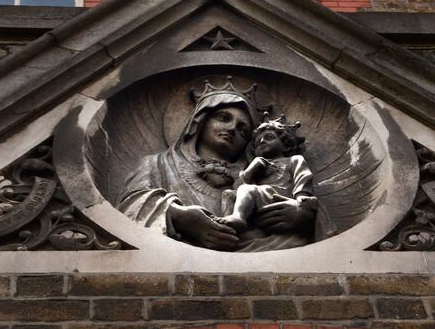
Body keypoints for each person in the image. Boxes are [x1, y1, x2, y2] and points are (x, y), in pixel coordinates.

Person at [117, 78, 316, 251]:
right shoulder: (158, 164)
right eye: (223, 118)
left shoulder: (259, 173)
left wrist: (302, 214)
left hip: (265, 253)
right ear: (200, 120)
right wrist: (180, 216)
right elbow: (128, 208)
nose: (231, 129)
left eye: (243, 129)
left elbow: (291, 193)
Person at [215, 114, 317, 235]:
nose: (262, 141)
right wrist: (249, 173)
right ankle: (229, 228)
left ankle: (238, 217)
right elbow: (238, 190)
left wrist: (301, 201)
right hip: (257, 202)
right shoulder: (253, 166)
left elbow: (303, 177)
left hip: (279, 198)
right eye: (258, 142)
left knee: (247, 189)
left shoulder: (293, 160)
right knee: (228, 194)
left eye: (269, 137)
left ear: (286, 145)